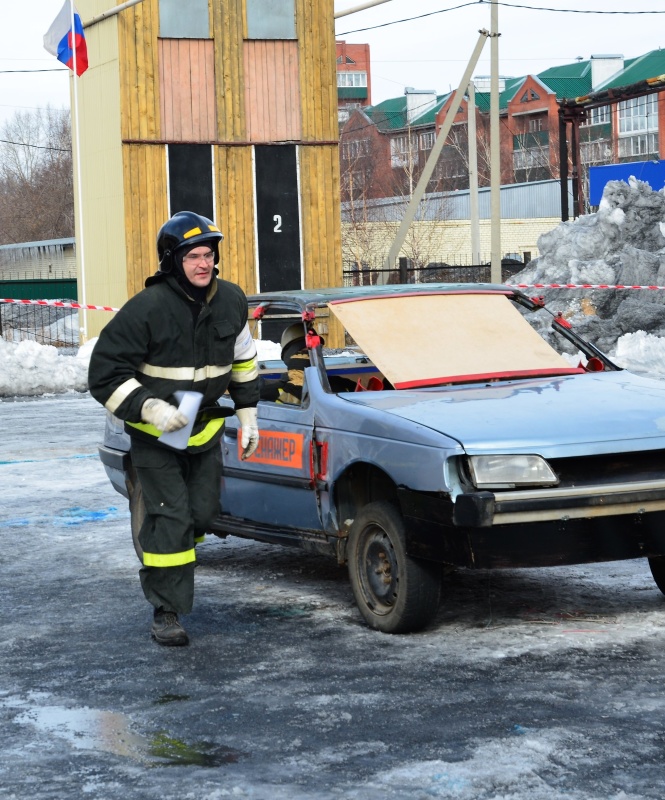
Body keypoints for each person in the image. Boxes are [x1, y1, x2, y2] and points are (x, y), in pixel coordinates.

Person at [88, 210, 260, 647]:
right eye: (193, 256)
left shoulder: (232, 300)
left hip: (201, 428)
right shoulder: (147, 308)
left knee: (200, 515)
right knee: (172, 517)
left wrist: (248, 413)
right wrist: (149, 408)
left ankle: (169, 547)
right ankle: (165, 611)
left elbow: (242, 361)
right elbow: (105, 373)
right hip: (157, 435)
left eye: (209, 255)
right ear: (172, 261)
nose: (204, 264)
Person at [261, 323, 355, 404]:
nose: (311, 356)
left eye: (316, 351)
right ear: (290, 355)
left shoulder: (340, 383)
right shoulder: (273, 392)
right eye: (303, 352)